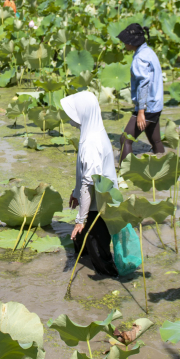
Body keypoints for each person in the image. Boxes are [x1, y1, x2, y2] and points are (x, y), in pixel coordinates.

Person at [61, 91, 119, 276]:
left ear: (84, 113)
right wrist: (76, 192)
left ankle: (110, 281)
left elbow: (89, 183)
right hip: (95, 202)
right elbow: (86, 175)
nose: (72, 119)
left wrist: (81, 219)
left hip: (99, 208)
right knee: (80, 242)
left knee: (101, 259)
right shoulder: (95, 131)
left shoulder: (91, 143)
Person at [117, 23, 164, 165]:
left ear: (132, 42)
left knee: (125, 140)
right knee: (155, 140)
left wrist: (141, 112)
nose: (123, 43)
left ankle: (126, 172)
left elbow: (143, 84)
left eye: (125, 40)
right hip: (156, 104)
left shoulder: (139, 59)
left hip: (147, 107)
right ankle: (162, 163)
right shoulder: (149, 52)